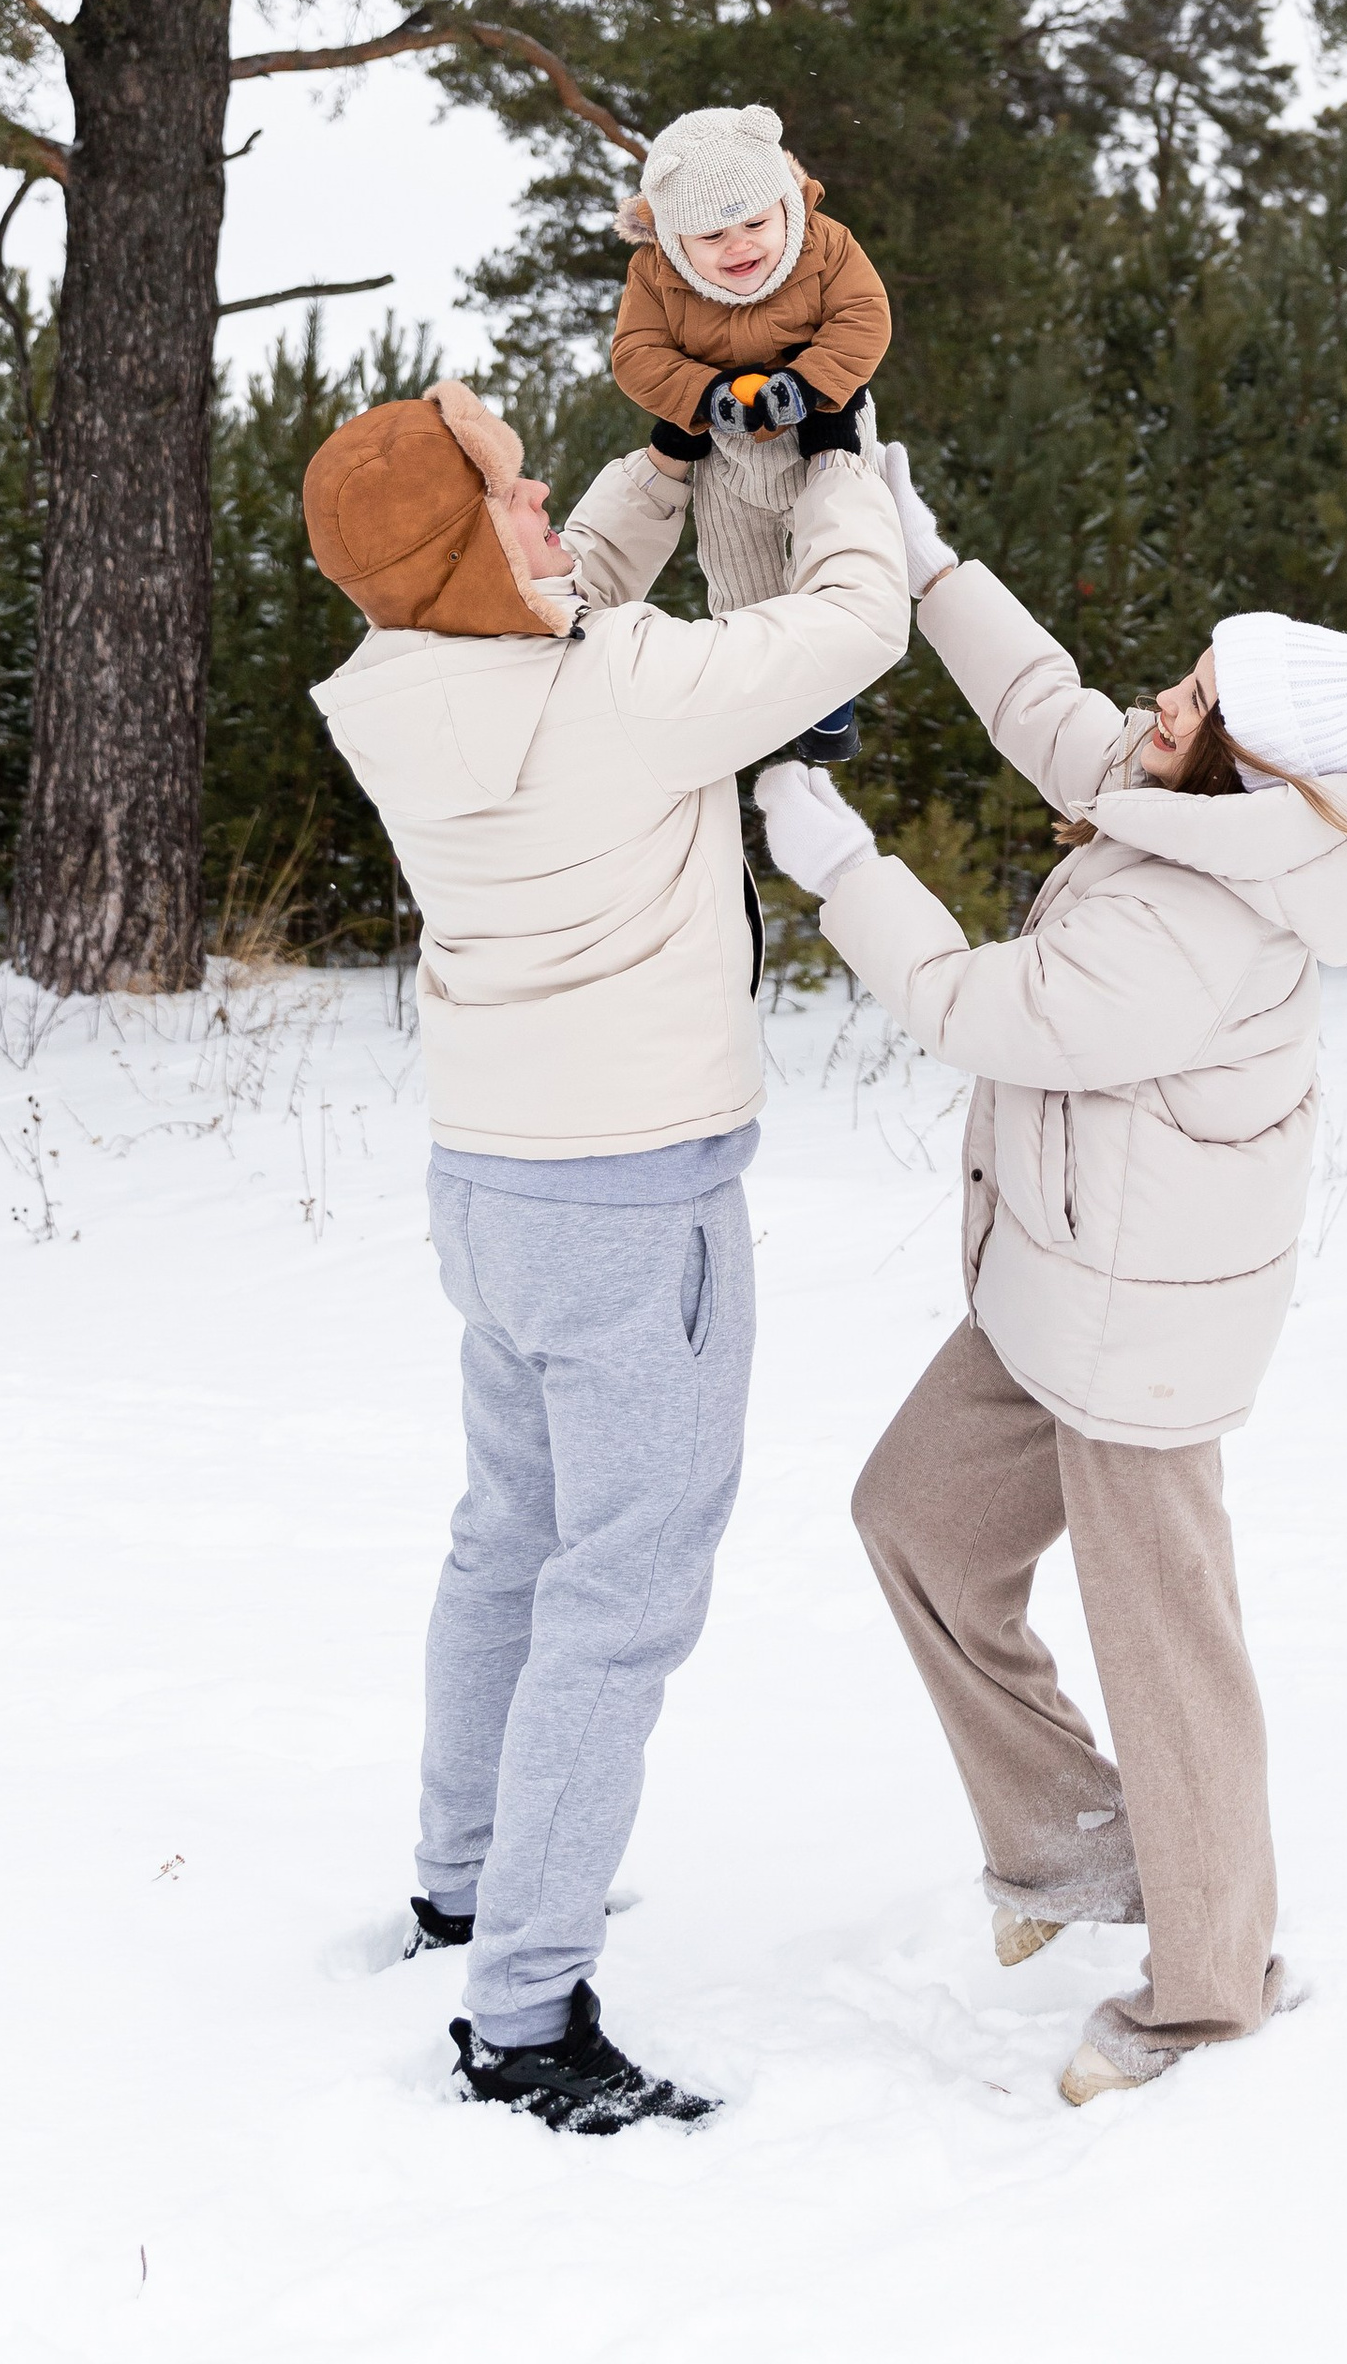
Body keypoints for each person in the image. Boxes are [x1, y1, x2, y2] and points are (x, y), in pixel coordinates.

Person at [756, 442, 1347, 2109]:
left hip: (1142, 1330)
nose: (1162, 696)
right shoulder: (1233, 800)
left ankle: (1210, 1987)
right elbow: (1060, 720)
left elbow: (984, 1009)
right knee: (916, 1521)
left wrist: (842, 866)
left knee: (1168, 1645)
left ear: (1252, 757)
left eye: (1194, 688)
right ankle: (1071, 1848)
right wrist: (930, 567)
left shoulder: (1200, 925)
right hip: (1059, 1274)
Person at [303, 372, 909, 2135]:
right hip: (638, 1203)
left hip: (495, 1185)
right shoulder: (623, 695)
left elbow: (563, 594)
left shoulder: (405, 687)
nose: (545, 498)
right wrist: (847, 465)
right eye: (511, 487)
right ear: (462, 544)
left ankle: (467, 1883)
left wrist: (657, 475)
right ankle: (525, 2018)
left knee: (512, 1540)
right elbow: (851, 616)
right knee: (621, 1595)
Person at [610, 102, 892, 764]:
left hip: (826, 422)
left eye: (755, 223)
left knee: (838, 546)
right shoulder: (653, 276)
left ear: (785, 206)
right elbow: (637, 354)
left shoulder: (825, 242)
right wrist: (704, 395)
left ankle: (833, 689)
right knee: (740, 576)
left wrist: (811, 384)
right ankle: (766, 697)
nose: (739, 246)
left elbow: (863, 315)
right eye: (711, 237)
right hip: (729, 442)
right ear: (675, 239)